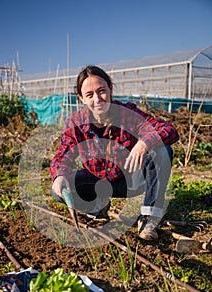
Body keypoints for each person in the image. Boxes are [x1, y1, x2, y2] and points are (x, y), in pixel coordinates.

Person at [50, 65, 179, 240]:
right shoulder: (75, 123)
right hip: (97, 181)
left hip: (131, 180)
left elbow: (167, 129)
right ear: (81, 98)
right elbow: (62, 157)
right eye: (89, 95)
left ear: (110, 89)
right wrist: (60, 175)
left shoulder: (127, 114)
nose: (97, 99)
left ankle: (149, 219)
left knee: (162, 150)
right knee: (59, 190)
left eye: (101, 91)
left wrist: (144, 143)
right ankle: (98, 206)